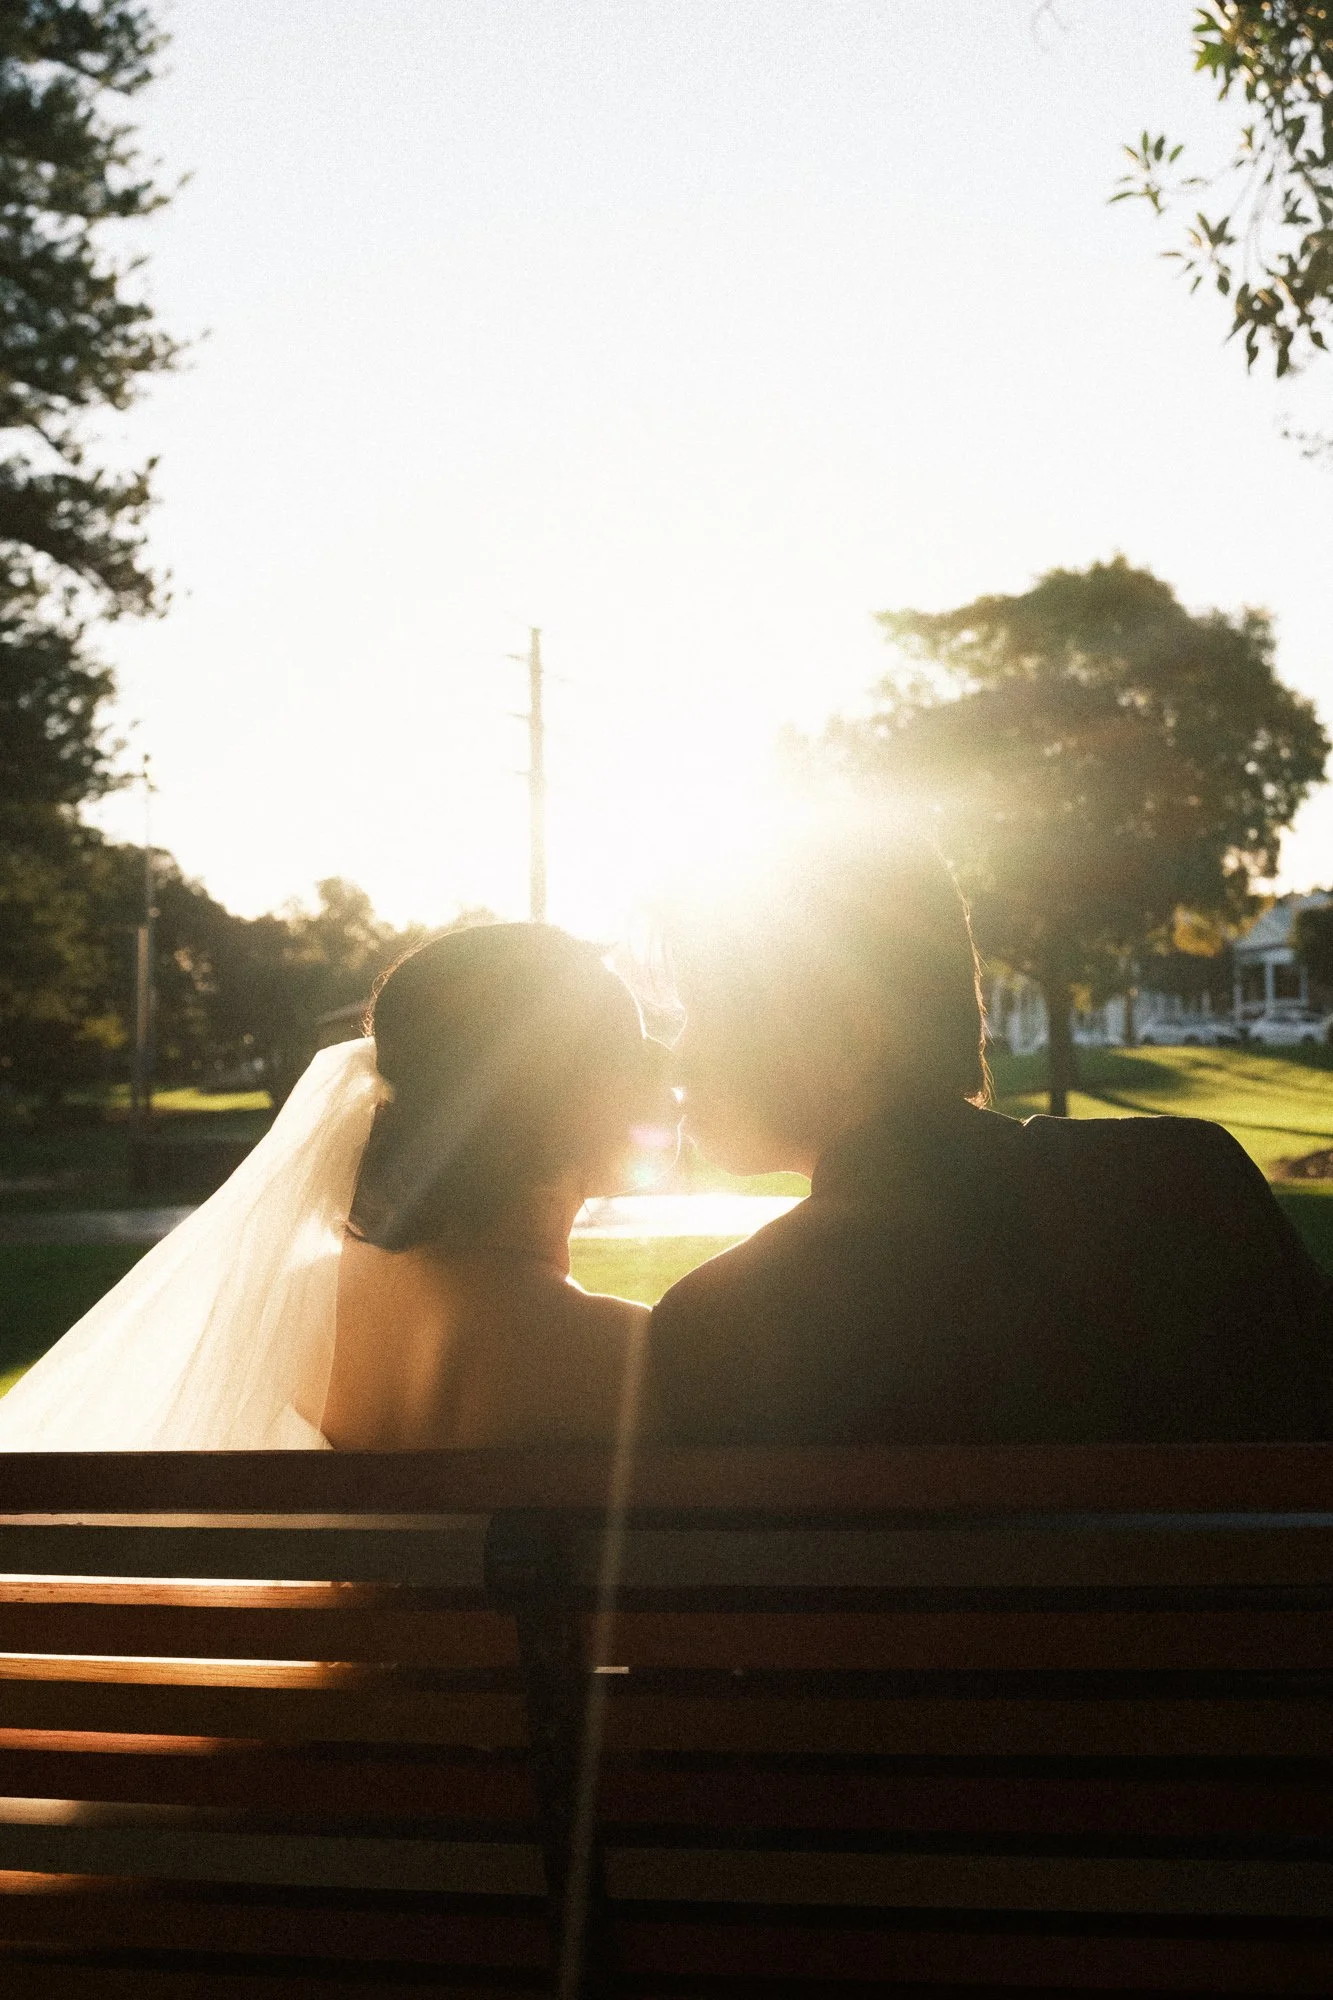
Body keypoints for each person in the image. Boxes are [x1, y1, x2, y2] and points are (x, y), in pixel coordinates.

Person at [643, 834, 1333, 1446]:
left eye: (697, 1014)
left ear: (855, 1036)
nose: (676, 1056)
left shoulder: (720, 1324)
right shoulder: (1191, 1186)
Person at [0, 924, 666, 1450]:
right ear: (562, 1101)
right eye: (636, 1056)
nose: (663, 1080)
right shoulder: (627, 1357)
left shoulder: (288, 1312)